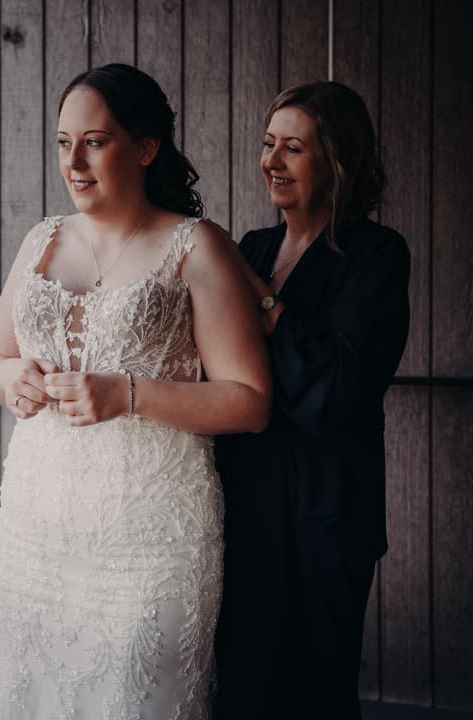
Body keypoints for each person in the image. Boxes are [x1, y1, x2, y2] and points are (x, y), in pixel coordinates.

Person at [0, 63, 270, 719]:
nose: (73, 162)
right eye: (62, 142)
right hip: (39, 525)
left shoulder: (196, 248)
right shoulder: (41, 242)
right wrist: (10, 378)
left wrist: (128, 395)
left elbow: (249, 399)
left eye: (95, 141)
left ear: (145, 145)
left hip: (150, 533)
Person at [214, 81, 410, 719]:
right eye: (268, 145)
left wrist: (265, 302)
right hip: (245, 501)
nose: (271, 162)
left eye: (292, 148)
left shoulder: (375, 255)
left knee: (315, 691)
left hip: (326, 512)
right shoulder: (254, 248)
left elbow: (338, 389)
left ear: (338, 161)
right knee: (243, 680)